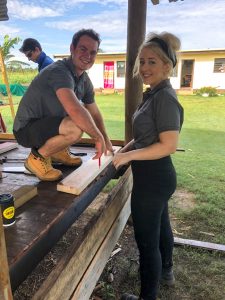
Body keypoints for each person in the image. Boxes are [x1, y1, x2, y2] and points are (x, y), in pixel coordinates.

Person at [113, 32, 184, 300]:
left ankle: (147, 297)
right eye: (141, 62)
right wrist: (127, 148)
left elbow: (168, 145)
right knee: (161, 225)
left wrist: (129, 158)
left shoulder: (164, 97)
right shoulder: (154, 94)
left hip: (153, 179)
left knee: (146, 242)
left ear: (167, 65)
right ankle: (166, 271)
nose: (144, 68)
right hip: (157, 178)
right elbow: (146, 137)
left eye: (152, 62)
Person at [13, 29, 113, 181]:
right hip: (26, 129)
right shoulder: (60, 71)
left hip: (46, 126)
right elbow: (74, 108)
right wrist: (97, 137)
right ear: (72, 49)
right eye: (83, 49)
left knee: (81, 121)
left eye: (93, 52)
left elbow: (94, 112)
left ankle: (57, 152)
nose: (88, 56)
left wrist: (105, 138)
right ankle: (36, 158)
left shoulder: (84, 80)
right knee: (76, 126)